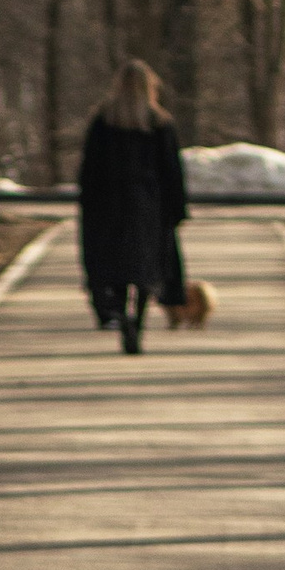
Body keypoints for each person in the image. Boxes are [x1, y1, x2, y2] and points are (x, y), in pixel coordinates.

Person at [78, 59, 189, 354]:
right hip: (147, 206)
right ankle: (137, 319)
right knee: (145, 268)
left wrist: (88, 204)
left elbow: (89, 168)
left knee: (110, 264)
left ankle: (116, 311)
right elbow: (172, 170)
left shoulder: (103, 121)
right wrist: (176, 209)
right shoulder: (159, 123)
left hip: (108, 205)